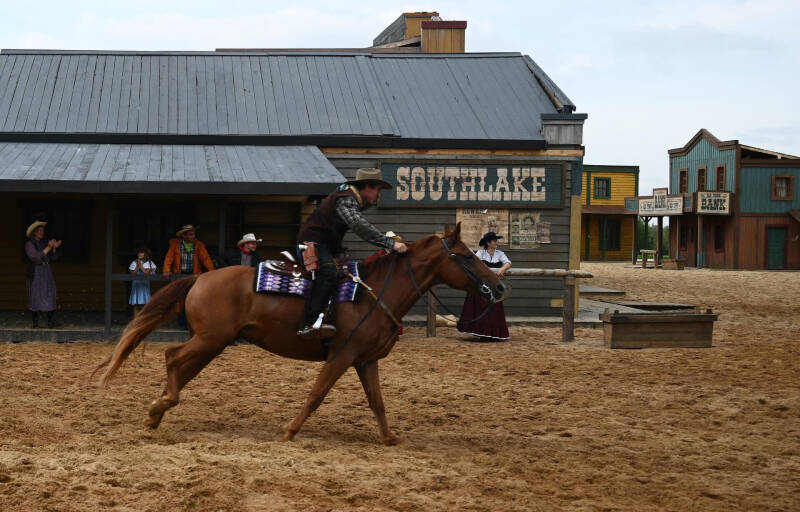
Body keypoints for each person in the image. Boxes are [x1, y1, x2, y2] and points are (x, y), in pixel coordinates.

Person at [295, 168, 408, 339]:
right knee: (328, 273)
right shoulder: (346, 199)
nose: (379, 195)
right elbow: (358, 225)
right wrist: (389, 243)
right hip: (313, 242)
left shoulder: (348, 197)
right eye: (377, 190)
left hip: (326, 244)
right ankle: (308, 324)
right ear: (367, 187)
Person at [457, 231, 511, 341]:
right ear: (488, 242)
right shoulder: (481, 253)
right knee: (480, 308)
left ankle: (494, 333)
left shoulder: (500, 254)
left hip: (493, 286)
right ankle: (481, 333)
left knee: (494, 309)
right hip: (481, 285)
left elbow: (508, 263)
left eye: (496, 241)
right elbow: (475, 264)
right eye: (495, 241)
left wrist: (502, 269)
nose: (497, 243)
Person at [163, 225, 214, 329]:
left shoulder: (198, 245)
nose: (193, 236)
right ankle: (182, 324)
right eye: (190, 234)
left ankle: (191, 323)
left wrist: (212, 272)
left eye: (193, 234)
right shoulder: (175, 245)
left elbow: (206, 259)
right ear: (184, 235)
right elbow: (169, 258)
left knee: (192, 298)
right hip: (179, 275)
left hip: (193, 275)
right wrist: (166, 270)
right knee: (179, 298)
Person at [24, 220, 62, 328]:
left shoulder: (43, 243)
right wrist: (49, 247)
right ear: (34, 233)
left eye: (42, 231)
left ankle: (51, 322)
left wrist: (54, 247)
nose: (42, 233)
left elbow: (51, 258)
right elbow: (36, 258)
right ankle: (35, 323)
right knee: (35, 294)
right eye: (40, 231)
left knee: (50, 292)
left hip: (46, 271)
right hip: (36, 272)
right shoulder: (29, 244)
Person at [129, 247, 156, 316]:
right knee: (136, 304)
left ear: (146, 254)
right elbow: (133, 274)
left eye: (142, 253)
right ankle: (136, 320)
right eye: (139, 253)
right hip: (136, 286)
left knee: (145, 304)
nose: (139, 254)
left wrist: (141, 266)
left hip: (144, 286)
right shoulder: (134, 262)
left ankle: (143, 320)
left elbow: (146, 273)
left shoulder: (149, 263)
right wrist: (137, 266)